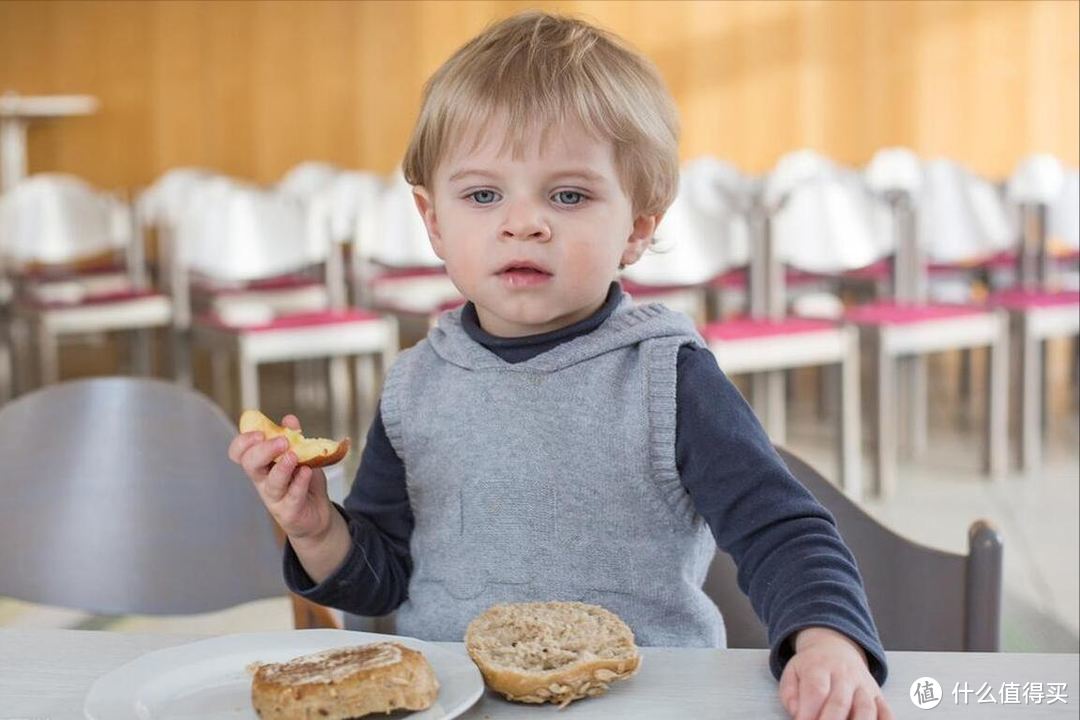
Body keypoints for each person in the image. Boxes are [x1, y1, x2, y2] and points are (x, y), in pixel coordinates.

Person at [230, 11, 893, 719]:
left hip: (645, 702)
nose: (523, 222)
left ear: (638, 227)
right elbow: (383, 582)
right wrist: (317, 530)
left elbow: (780, 530)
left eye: (568, 195)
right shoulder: (415, 386)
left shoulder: (666, 376)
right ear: (433, 222)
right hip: (464, 704)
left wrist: (826, 640)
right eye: (483, 195)